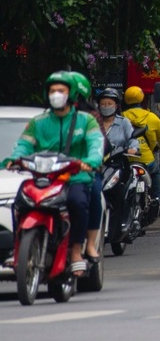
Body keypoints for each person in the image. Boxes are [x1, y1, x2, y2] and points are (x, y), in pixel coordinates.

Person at [9, 71, 105, 275]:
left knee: (78, 202)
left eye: (60, 90)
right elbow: (24, 145)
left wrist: (91, 161)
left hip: (75, 177)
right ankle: (18, 251)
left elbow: (96, 144)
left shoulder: (86, 120)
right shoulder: (38, 122)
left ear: (70, 94)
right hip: (43, 178)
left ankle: (77, 250)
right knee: (20, 202)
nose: (56, 94)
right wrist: (14, 159)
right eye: (52, 90)